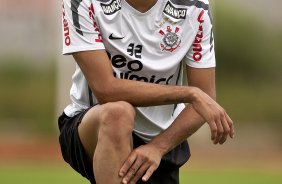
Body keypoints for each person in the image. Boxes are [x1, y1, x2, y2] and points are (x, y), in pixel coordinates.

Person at [59, 0, 235, 183]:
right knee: (118, 113)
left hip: (161, 139)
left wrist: (158, 147)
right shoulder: (84, 2)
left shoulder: (195, 8)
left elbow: (205, 98)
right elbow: (106, 89)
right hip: (90, 125)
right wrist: (190, 94)